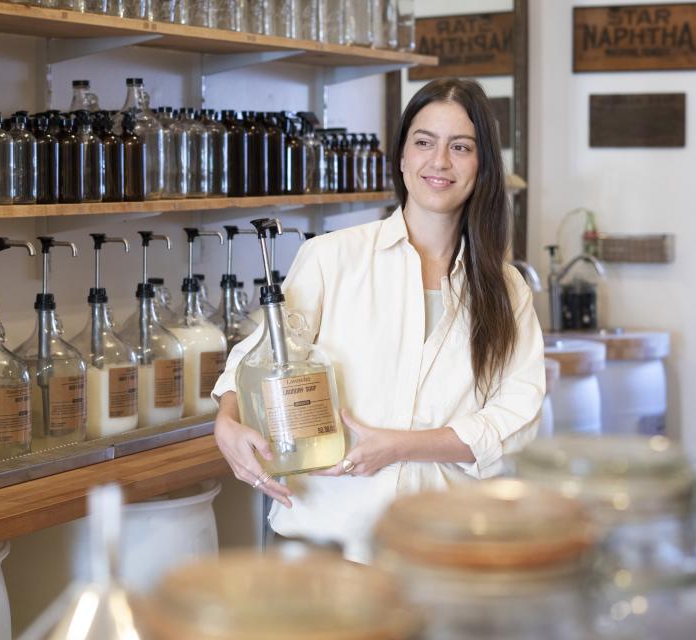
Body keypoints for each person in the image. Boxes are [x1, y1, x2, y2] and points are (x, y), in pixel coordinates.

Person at [211, 78, 545, 562]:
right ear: (403, 156)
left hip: (442, 551)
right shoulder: (331, 257)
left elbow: (518, 419)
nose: (439, 162)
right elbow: (264, 353)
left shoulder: (506, 288)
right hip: (326, 543)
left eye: (461, 147)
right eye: (424, 142)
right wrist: (226, 418)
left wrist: (399, 446)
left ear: (482, 165)